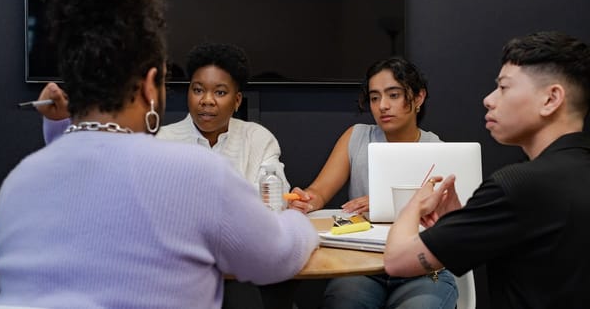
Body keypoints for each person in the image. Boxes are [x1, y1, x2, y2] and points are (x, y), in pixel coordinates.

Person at [0, 0, 318, 308]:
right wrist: (298, 221)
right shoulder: (194, 172)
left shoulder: (18, 183)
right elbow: (277, 257)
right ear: (150, 84)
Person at [384, 31, 590, 309]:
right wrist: (462, 220)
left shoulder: (518, 185)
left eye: (504, 88)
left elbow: (397, 261)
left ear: (551, 99)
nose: (489, 100)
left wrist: (413, 204)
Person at [288, 57, 457, 309]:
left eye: (394, 95)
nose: (383, 106)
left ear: (419, 97)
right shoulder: (356, 137)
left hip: (421, 268)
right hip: (361, 266)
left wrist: (384, 203)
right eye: (375, 97)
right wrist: (306, 201)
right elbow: (319, 192)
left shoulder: (438, 150)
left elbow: (449, 222)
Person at [40, 42, 290, 194]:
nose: (207, 100)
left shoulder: (258, 139)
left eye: (220, 92)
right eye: (198, 89)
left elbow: (276, 197)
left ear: (237, 101)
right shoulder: (161, 139)